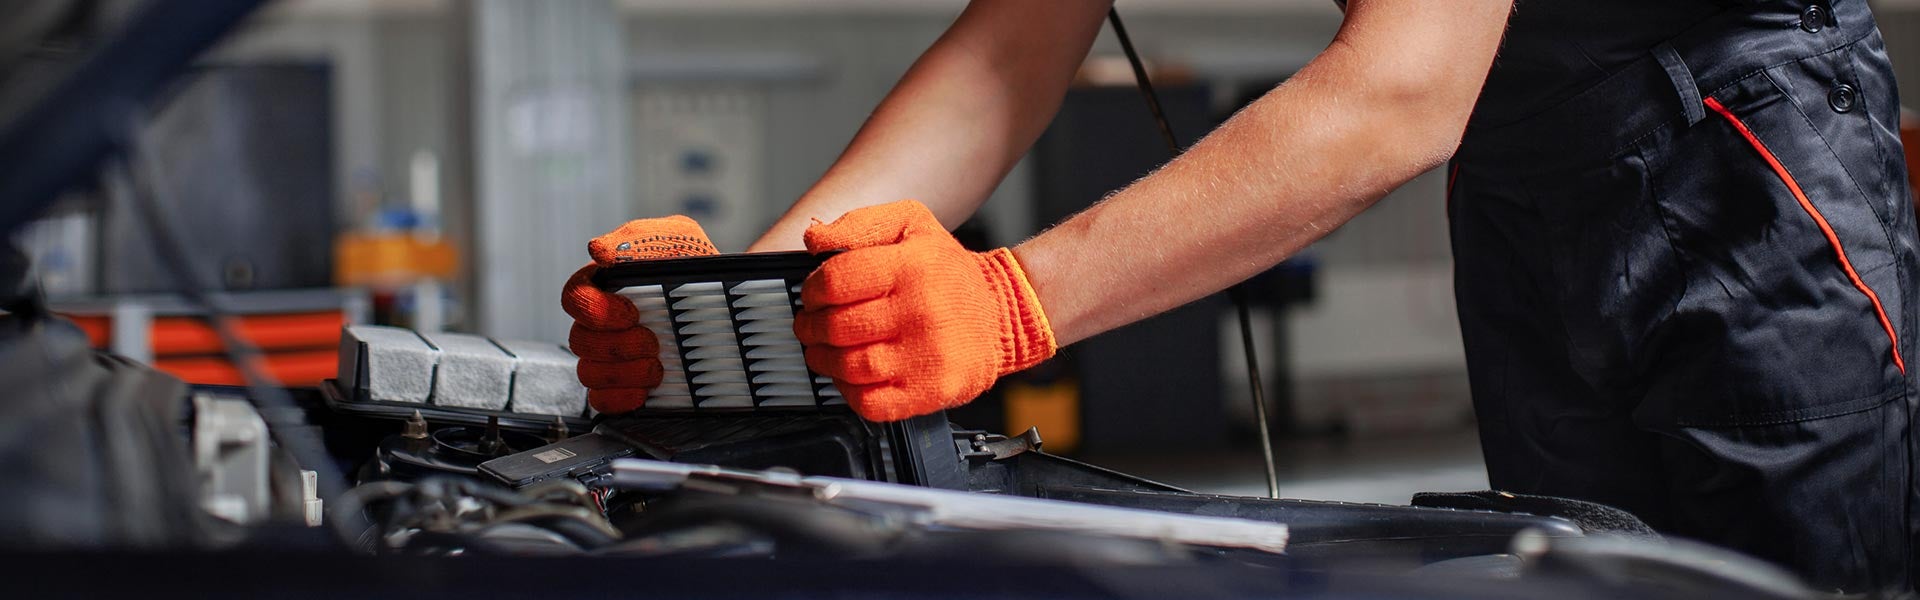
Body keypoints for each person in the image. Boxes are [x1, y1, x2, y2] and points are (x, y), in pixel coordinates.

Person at [562, 0, 1915, 591]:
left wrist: (1010, 301)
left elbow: (1402, 83)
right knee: (1585, 580)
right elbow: (1012, 45)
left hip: (1742, 157)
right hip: (1522, 186)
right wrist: (748, 299)